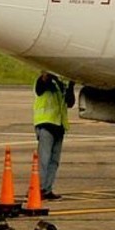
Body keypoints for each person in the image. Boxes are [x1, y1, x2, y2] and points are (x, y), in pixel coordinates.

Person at [34, 72, 76, 200]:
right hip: (46, 124)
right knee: (44, 160)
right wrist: (46, 74)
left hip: (59, 126)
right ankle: (38, 188)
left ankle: (47, 189)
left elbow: (70, 102)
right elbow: (39, 88)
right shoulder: (44, 81)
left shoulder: (60, 84)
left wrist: (71, 85)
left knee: (54, 161)